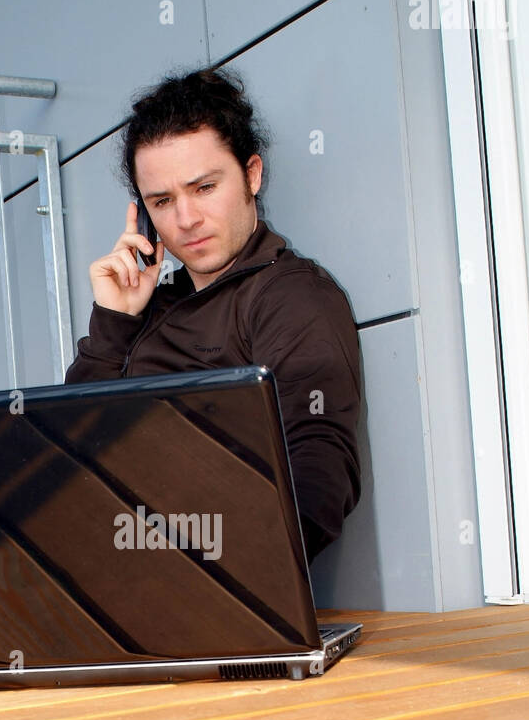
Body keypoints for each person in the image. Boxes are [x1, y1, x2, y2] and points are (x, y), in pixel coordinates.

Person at [65, 65, 362, 563]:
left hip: (189, 585)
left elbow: (317, 475)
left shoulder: (289, 296)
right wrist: (113, 323)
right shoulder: (146, 309)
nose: (185, 220)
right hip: (98, 569)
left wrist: (205, 571)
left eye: (204, 188)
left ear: (251, 175)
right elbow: (65, 457)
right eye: (162, 200)